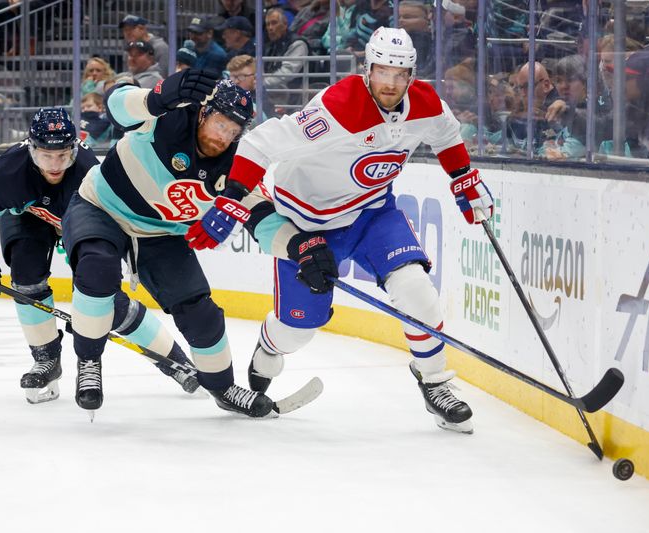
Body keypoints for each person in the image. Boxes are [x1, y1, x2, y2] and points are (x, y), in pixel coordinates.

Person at [188, 27, 494, 434]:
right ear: (367, 69)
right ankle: (269, 344)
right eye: (383, 72)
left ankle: (435, 384)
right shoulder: (338, 108)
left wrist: (464, 178)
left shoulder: (425, 102)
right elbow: (260, 143)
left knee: (416, 289)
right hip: (307, 222)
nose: (390, 83)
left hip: (372, 213)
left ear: (412, 75)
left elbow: (446, 135)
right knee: (298, 330)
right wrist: (233, 198)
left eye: (400, 74)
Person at [60, 71, 278, 418]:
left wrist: (299, 249)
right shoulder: (169, 117)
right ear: (204, 112)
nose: (224, 137)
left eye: (234, 131)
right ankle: (88, 361)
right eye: (220, 124)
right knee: (96, 268)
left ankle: (222, 387)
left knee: (201, 313)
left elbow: (262, 213)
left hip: (161, 234)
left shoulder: (238, 164)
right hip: (101, 207)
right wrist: (155, 98)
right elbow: (116, 105)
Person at [0, 108, 197, 405]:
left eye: (63, 155)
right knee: (25, 272)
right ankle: (46, 359)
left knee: (105, 297)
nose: (54, 165)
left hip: (81, 217)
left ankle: (175, 361)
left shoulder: (92, 175)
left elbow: (120, 226)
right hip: (28, 217)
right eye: (46, 155)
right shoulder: (7, 171)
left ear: (75, 149)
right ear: (31, 147)